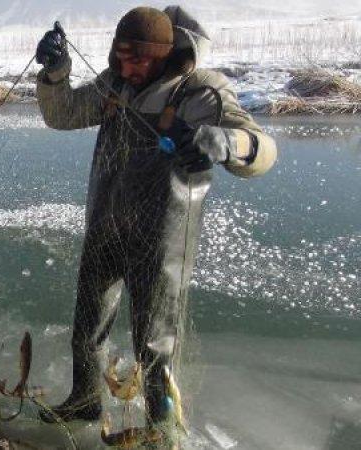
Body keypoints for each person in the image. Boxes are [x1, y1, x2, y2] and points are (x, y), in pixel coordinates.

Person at [34, 5, 277, 433]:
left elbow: (260, 148)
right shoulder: (115, 84)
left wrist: (224, 142)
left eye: (140, 59)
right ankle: (85, 400)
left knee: (156, 344)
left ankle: (161, 429)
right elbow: (63, 114)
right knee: (87, 326)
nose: (129, 67)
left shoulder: (200, 91)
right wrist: (56, 73)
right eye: (122, 56)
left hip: (163, 238)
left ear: (165, 54)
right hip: (107, 225)